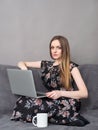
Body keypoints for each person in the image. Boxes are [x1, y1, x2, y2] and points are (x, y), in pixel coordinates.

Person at [11, 35, 89, 126]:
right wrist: (24, 69)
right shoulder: (46, 64)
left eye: (58, 48)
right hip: (51, 100)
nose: (54, 51)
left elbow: (84, 93)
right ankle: (59, 116)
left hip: (68, 101)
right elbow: (21, 62)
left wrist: (60, 93)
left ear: (64, 49)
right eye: (52, 47)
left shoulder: (71, 67)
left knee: (37, 104)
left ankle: (67, 116)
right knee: (22, 100)